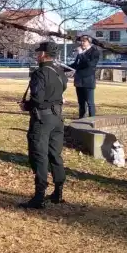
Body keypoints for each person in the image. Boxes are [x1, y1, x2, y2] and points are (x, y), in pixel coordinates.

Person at [19, 41, 67, 209]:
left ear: (43, 54)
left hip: (42, 119)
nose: (36, 54)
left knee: (39, 155)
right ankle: (58, 191)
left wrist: (27, 106)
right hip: (58, 117)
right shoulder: (60, 72)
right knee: (55, 154)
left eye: (38, 52)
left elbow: (37, 99)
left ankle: (39, 196)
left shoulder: (40, 73)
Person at [69, 35, 99, 118]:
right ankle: (81, 120)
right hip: (79, 81)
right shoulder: (81, 52)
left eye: (84, 41)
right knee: (81, 103)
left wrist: (81, 53)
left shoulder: (95, 52)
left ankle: (92, 121)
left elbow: (90, 64)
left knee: (90, 103)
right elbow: (76, 65)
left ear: (89, 42)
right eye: (81, 41)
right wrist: (63, 68)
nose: (82, 43)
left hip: (88, 80)